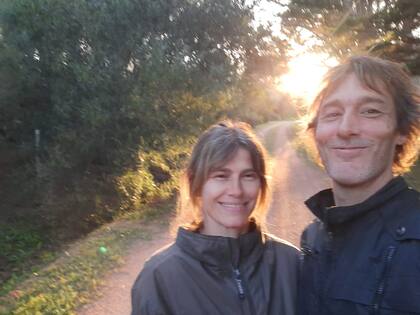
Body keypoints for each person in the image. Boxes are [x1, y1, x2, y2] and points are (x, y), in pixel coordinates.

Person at [131, 121, 299, 315]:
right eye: (221, 176)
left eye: (248, 176)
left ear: (261, 183)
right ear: (196, 183)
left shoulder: (291, 263)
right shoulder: (159, 278)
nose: (236, 191)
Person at [298, 55, 420, 315]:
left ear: (402, 131)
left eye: (370, 111)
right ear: (317, 134)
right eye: (332, 114)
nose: (346, 128)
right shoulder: (313, 239)